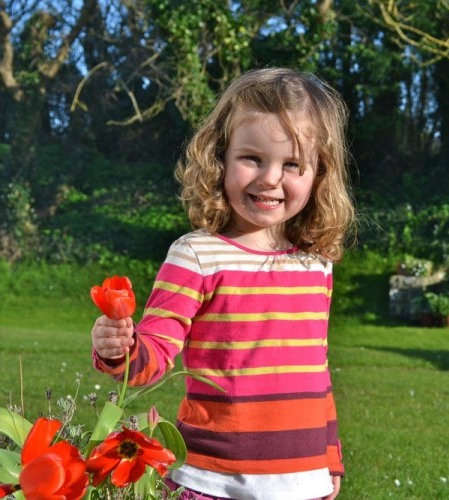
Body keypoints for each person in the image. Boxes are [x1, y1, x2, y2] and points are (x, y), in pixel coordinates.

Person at [90, 67, 355, 500]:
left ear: (319, 174)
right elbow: (155, 356)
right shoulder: (196, 255)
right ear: (221, 157)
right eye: (252, 158)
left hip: (302, 482)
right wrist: (119, 350)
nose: (270, 178)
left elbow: (316, 373)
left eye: (292, 164)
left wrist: (330, 456)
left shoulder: (316, 264)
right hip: (210, 480)